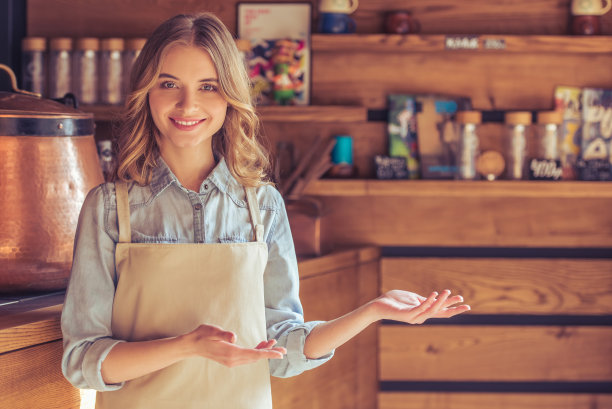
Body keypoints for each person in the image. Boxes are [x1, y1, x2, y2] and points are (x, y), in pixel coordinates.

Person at [60, 12, 470, 409]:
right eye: (169, 83)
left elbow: (284, 346)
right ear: (145, 91)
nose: (187, 104)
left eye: (208, 86)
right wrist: (187, 346)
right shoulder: (109, 208)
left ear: (230, 98)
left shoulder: (263, 206)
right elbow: (82, 361)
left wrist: (373, 310)